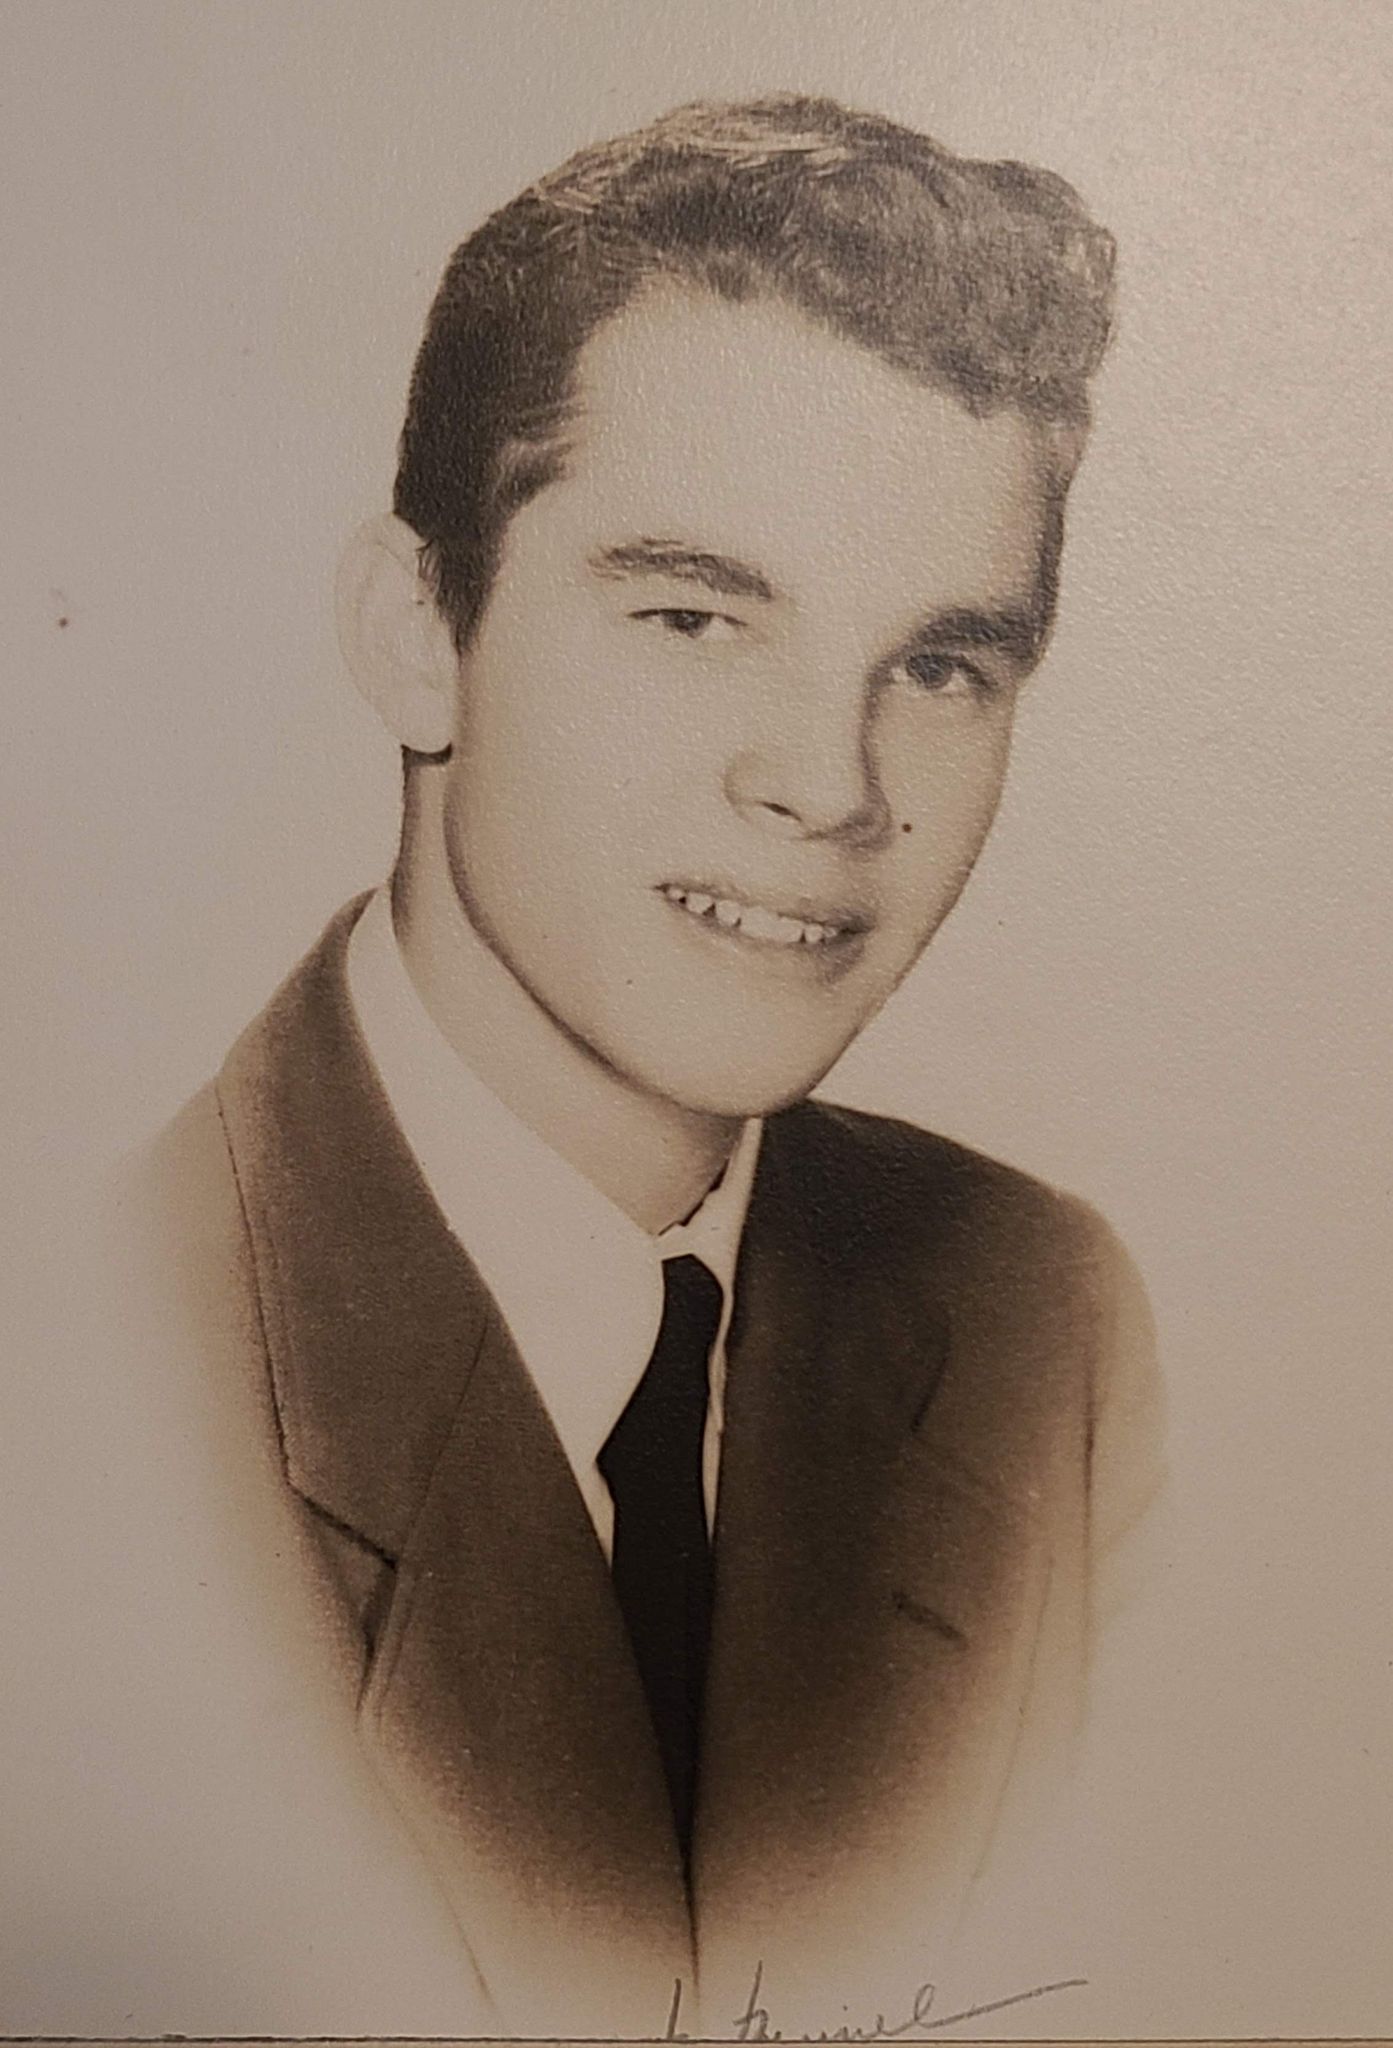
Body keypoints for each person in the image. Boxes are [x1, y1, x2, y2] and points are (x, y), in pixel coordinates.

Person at [136, 94, 1161, 2038]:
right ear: (418, 632)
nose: (830, 784)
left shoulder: (1046, 1323)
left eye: (939, 665)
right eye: (694, 616)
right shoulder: (92, 1373)